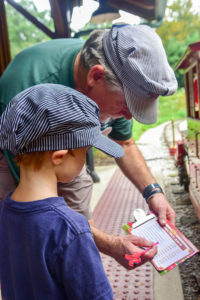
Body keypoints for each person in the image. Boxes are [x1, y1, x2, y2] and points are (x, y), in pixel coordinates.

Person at [0, 24, 177, 268]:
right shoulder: (26, 87)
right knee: (21, 226)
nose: (127, 118)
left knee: (78, 185)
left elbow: (123, 142)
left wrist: (153, 192)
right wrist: (110, 244)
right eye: (126, 106)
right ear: (95, 76)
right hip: (14, 153)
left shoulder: (117, 76)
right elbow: (39, 205)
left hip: (65, 150)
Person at [0, 83, 123, 299]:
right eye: (85, 151)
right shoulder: (70, 229)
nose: (86, 159)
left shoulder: (5, 212)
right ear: (59, 156)